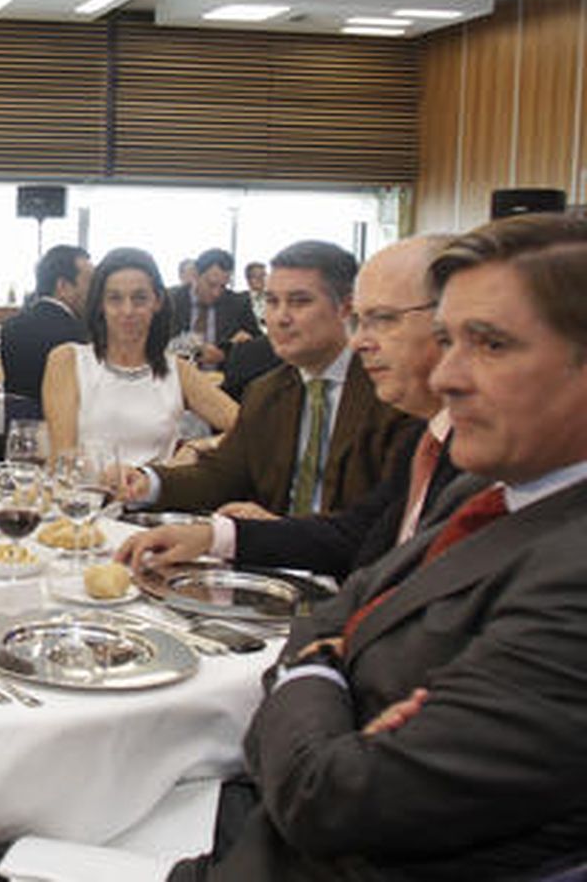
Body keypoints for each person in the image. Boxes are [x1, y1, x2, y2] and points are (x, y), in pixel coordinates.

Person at [169, 212, 587, 880]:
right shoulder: (486, 490)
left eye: (492, 345)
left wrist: (313, 668)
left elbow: (331, 797)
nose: (448, 377)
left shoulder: (569, 576)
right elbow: (343, 602)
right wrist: (330, 663)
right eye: (447, 340)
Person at [118, 236, 458, 579]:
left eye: (299, 302)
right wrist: (149, 482)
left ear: (344, 308)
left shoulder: (397, 393)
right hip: (273, 570)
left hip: (344, 577)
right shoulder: (267, 390)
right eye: (272, 301)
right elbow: (225, 474)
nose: (280, 318)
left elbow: (368, 530)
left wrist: (269, 532)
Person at [42, 248, 237, 467]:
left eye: (139, 298)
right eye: (115, 299)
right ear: (100, 305)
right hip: (84, 497)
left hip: (157, 498)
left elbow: (250, 428)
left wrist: (198, 447)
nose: (128, 311)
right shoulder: (67, 361)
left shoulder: (178, 371)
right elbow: (62, 460)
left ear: (157, 301)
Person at [1, 245, 91, 402]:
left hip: (19, 424)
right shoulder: (78, 337)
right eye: (90, 282)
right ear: (63, 286)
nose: (95, 291)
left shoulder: (11, 326)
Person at [167, 247, 261, 368]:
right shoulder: (171, 301)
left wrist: (228, 353)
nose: (216, 293)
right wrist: (195, 351)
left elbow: (260, 346)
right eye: (211, 284)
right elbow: (157, 343)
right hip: (176, 378)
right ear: (195, 274)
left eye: (223, 286)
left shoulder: (238, 304)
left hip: (222, 381)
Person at [244, 260, 268, 327]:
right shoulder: (240, 300)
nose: (260, 279)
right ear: (248, 279)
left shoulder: (273, 299)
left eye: (263, 276)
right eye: (255, 276)